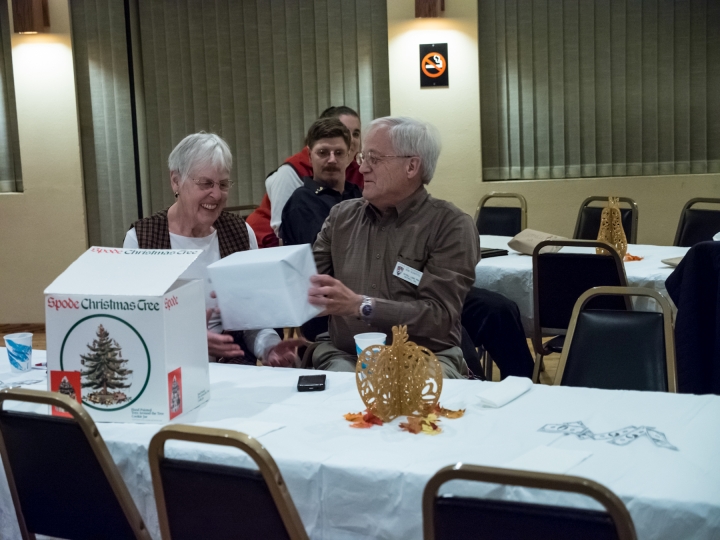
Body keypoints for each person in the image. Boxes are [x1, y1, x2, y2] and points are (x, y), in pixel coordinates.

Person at [307, 117, 479, 378]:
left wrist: (360, 306)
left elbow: (439, 317)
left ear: (411, 166)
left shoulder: (450, 225)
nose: (361, 168)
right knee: (335, 397)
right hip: (347, 357)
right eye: (363, 157)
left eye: (374, 159)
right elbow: (302, 284)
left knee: (418, 400)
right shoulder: (341, 217)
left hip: (423, 358)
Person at [123, 132, 303, 366]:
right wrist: (190, 340)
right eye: (205, 184)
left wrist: (269, 348)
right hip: (168, 371)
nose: (216, 195)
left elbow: (252, 319)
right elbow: (132, 324)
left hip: (234, 371)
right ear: (176, 181)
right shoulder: (141, 239)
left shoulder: (240, 233)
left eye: (223, 184)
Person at [246, 106, 364, 248]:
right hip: (266, 244)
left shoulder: (357, 180)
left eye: (356, 134)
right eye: (323, 152)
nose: (352, 139)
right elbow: (285, 235)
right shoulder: (292, 176)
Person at [279, 117, 362, 246]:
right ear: (310, 156)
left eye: (339, 153)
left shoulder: (358, 195)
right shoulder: (301, 202)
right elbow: (319, 258)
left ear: (348, 156)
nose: (332, 160)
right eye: (323, 153)